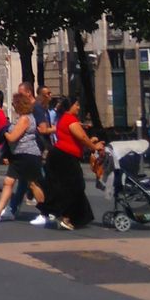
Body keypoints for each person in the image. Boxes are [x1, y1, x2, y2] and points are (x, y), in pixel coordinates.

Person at [0, 89, 47, 223]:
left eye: (15, 104)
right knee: (8, 182)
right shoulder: (22, 118)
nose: (14, 107)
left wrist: (4, 132)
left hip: (28, 155)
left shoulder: (25, 119)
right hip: (19, 155)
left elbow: (13, 137)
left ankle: (45, 213)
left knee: (33, 184)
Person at [41, 96, 103, 230]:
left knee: (64, 186)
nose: (79, 107)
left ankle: (65, 215)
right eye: (77, 105)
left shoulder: (63, 118)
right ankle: (67, 217)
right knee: (75, 186)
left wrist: (90, 142)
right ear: (70, 106)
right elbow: (81, 137)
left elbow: (76, 139)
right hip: (65, 157)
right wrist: (94, 147)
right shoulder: (70, 119)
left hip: (60, 155)